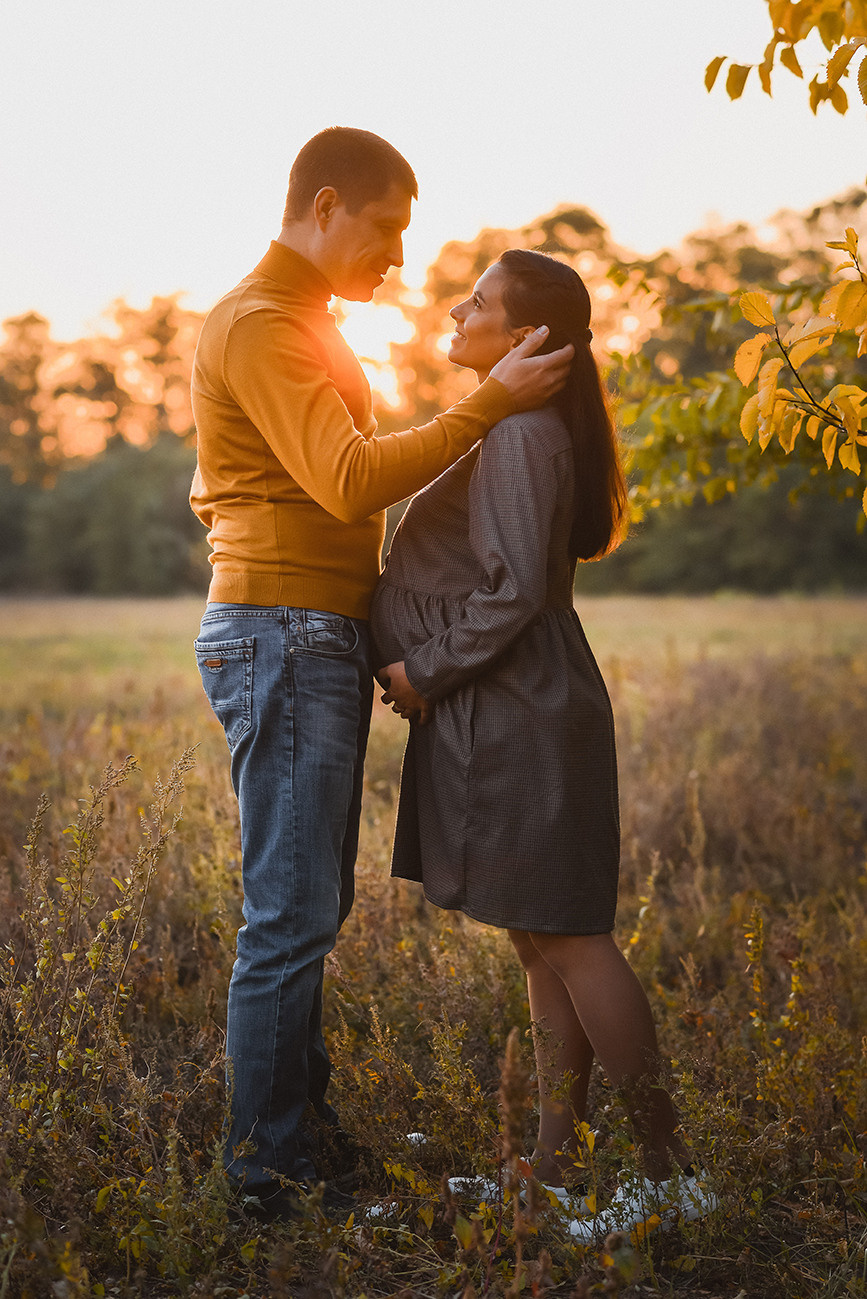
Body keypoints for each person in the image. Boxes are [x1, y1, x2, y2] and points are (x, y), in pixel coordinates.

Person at [189, 128, 573, 1221]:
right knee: (290, 911)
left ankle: (297, 1132)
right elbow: (349, 481)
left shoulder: (297, 326)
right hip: (281, 629)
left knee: (307, 901)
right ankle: (264, 1171)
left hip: (303, 632)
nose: (399, 262)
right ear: (324, 205)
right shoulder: (265, 325)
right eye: (388, 230)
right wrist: (488, 403)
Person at [370, 249, 716, 1237]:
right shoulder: (509, 425)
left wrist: (421, 670)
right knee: (539, 942)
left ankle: (675, 1175)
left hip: (518, 710)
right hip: (507, 709)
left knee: (571, 936)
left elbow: (514, 591)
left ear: (525, 335)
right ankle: (554, 1172)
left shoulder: (520, 433)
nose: (456, 308)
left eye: (478, 301)